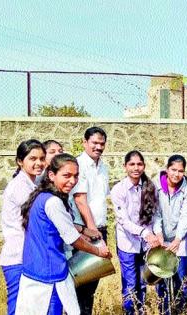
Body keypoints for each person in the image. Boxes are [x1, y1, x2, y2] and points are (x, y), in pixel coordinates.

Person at [15, 153, 112, 314]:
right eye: (66, 176)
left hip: (34, 269)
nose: (72, 181)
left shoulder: (42, 196)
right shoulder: (54, 202)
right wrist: (99, 252)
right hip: (50, 275)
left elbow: (58, 224)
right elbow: (73, 239)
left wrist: (83, 229)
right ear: (52, 175)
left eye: (75, 176)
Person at [0, 139, 46, 315]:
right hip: (18, 257)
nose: (39, 163)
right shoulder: (19, 186)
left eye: (42, 158)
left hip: (29, 255)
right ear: (20, 161)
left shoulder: (32, 183)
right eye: (32, 158)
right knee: (19, 308)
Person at [110, 151, 160, 314]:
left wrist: (157, 233)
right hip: (128, 245)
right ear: (125, 167)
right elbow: (123, 221)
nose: (136, 168)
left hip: (146, 246)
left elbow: (156, 215)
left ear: (144, 166)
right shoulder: (119, 190)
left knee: (143, 282)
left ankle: (141, 311)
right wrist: (145, 233)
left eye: (139, 164)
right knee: (130, 285)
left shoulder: (150, 187)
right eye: (132, 164)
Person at [70, 126, 110, 314]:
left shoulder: (103, 167)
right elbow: (80, 200)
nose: (98, 147)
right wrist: (94, 233)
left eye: (102, 143)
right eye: (94, 143)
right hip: (87, 232)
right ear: (84, 142)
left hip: (100, 228)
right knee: (81, 283)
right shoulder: (78, 165)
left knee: (92, 283)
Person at [153, 154, 187, 315]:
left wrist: (178, 238)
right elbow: (155, 213)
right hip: (161, 239)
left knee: (181, 279)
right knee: (161, 278)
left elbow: (186, 215)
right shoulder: (155, 186)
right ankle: (164, 311)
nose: (177, 174)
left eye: (181, 171)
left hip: (180, 240)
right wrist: (158, 234)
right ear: (167, 169)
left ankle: (181, 310)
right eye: (173, 170)